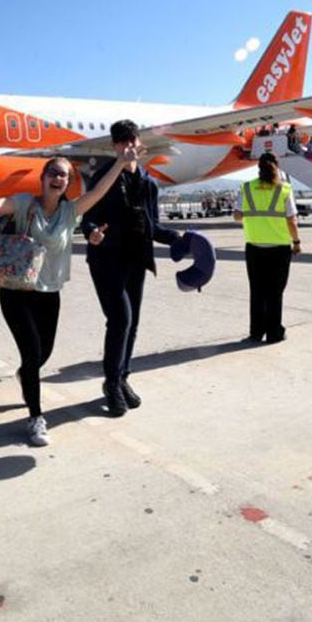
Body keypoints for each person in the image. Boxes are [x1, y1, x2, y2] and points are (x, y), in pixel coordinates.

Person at [0, 149, 140, 445]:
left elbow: (100, 190)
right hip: (17, 291)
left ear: (67, 183)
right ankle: (36, 417)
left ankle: (26, 375)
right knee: (32, 353)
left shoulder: (69, 212)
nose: (58, 178)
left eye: (63, 175)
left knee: (43, 354)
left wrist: (119, 162)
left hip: (49, 292)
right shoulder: (26, 204)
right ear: (42, 178)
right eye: (53, 173)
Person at [81, 119, 183, 417]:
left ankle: (122, 377)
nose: (127, 146)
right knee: (120, 320)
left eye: (131, 140)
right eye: (120, 141)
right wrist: (91, 233)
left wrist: (177, 237)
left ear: (139, 143)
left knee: (133, 323)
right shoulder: (102, 178)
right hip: (106, 261)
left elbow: (152, 225)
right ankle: (111, 384)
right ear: (113, 145)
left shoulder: (148, 183)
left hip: (136, 261)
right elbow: (87, 216)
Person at [233, 151, 302, 345]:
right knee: (275, 292)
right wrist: (296, 242)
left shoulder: (246, 188)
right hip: (279, 248)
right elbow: (292, 220)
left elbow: (237, 216)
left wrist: (253, 214)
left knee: (257, 291)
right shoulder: (284, 189)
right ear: (277, 167)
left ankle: (256, 332)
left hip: (254, 247)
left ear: (258, 168)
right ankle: (274, 333)